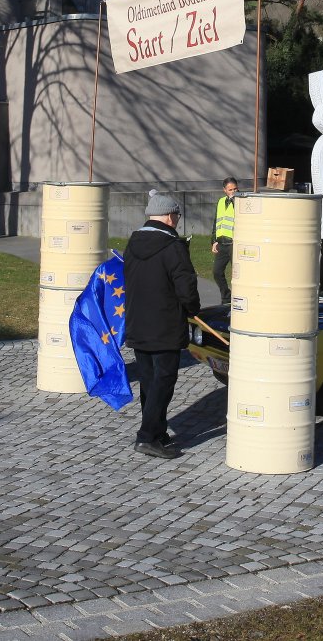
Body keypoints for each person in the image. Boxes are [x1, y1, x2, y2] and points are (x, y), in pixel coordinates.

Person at [123, 189, 201, 460]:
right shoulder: (173, 246)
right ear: (169, 216)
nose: (178, 220)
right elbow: (186, 286)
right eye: (177, 216)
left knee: (149, 381)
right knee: (163, 381)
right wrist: (193, 309)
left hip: (137, 321)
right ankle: (146, 437)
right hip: (165, 324)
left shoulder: (132, 243)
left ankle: (156, 430)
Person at [210, 177, 239, 305]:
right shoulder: (221, 201)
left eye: (235, 189)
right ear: (224, 190)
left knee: (237, 274)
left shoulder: (240, 201)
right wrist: (214, 241)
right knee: (217, 272)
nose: (233, 192)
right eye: (230, 190)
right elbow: (216, 221)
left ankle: (238, 299)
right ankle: (226, 297)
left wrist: (234, 200)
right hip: (221, 243)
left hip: (234, 243)